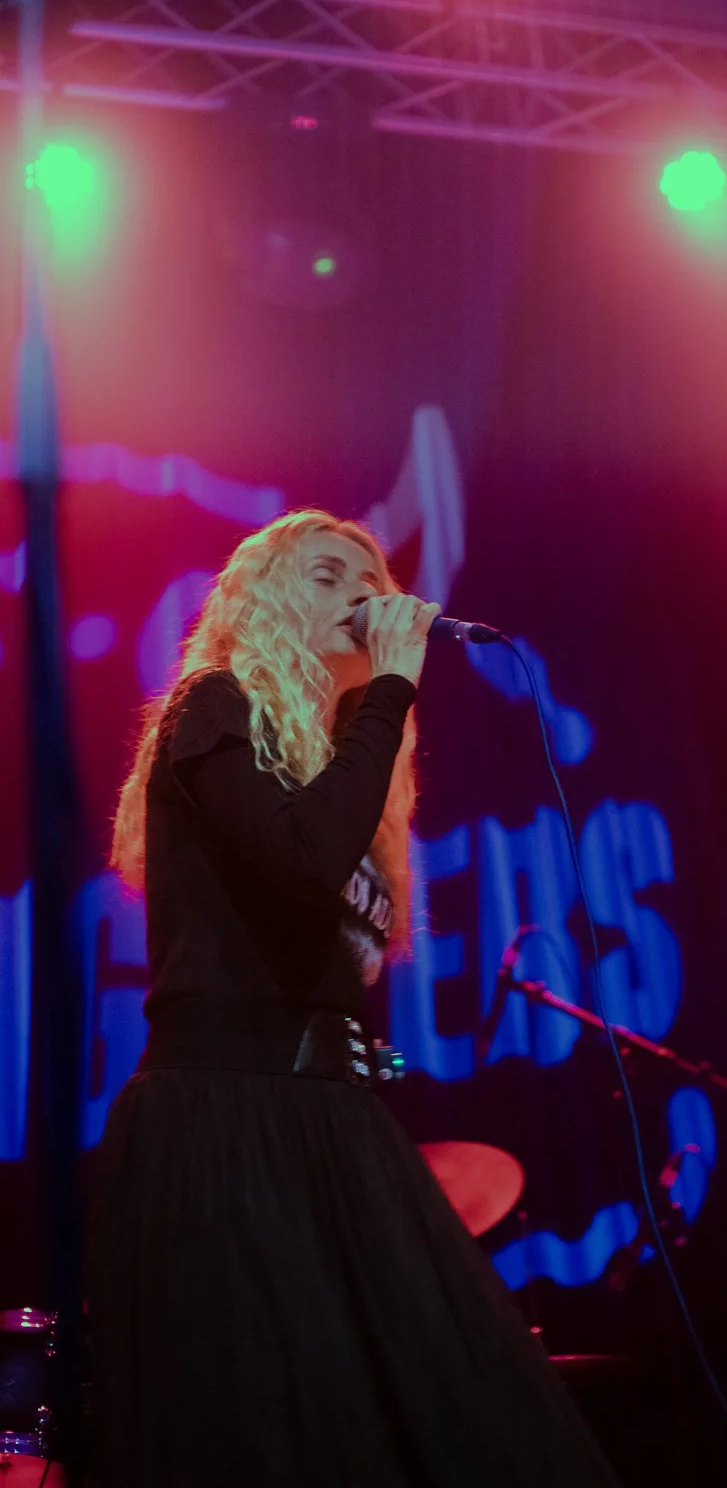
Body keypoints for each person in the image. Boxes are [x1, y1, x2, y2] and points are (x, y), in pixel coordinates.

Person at [91, 508, 619, 1488]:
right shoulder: (213, 705)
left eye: (369, 580)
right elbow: (302, 856)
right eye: (329, 577)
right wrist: (390, 690)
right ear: (265, 602)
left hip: (332, 1120)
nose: (364, 597)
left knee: (449, 1414)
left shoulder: (352, 778)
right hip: (226, 1113)